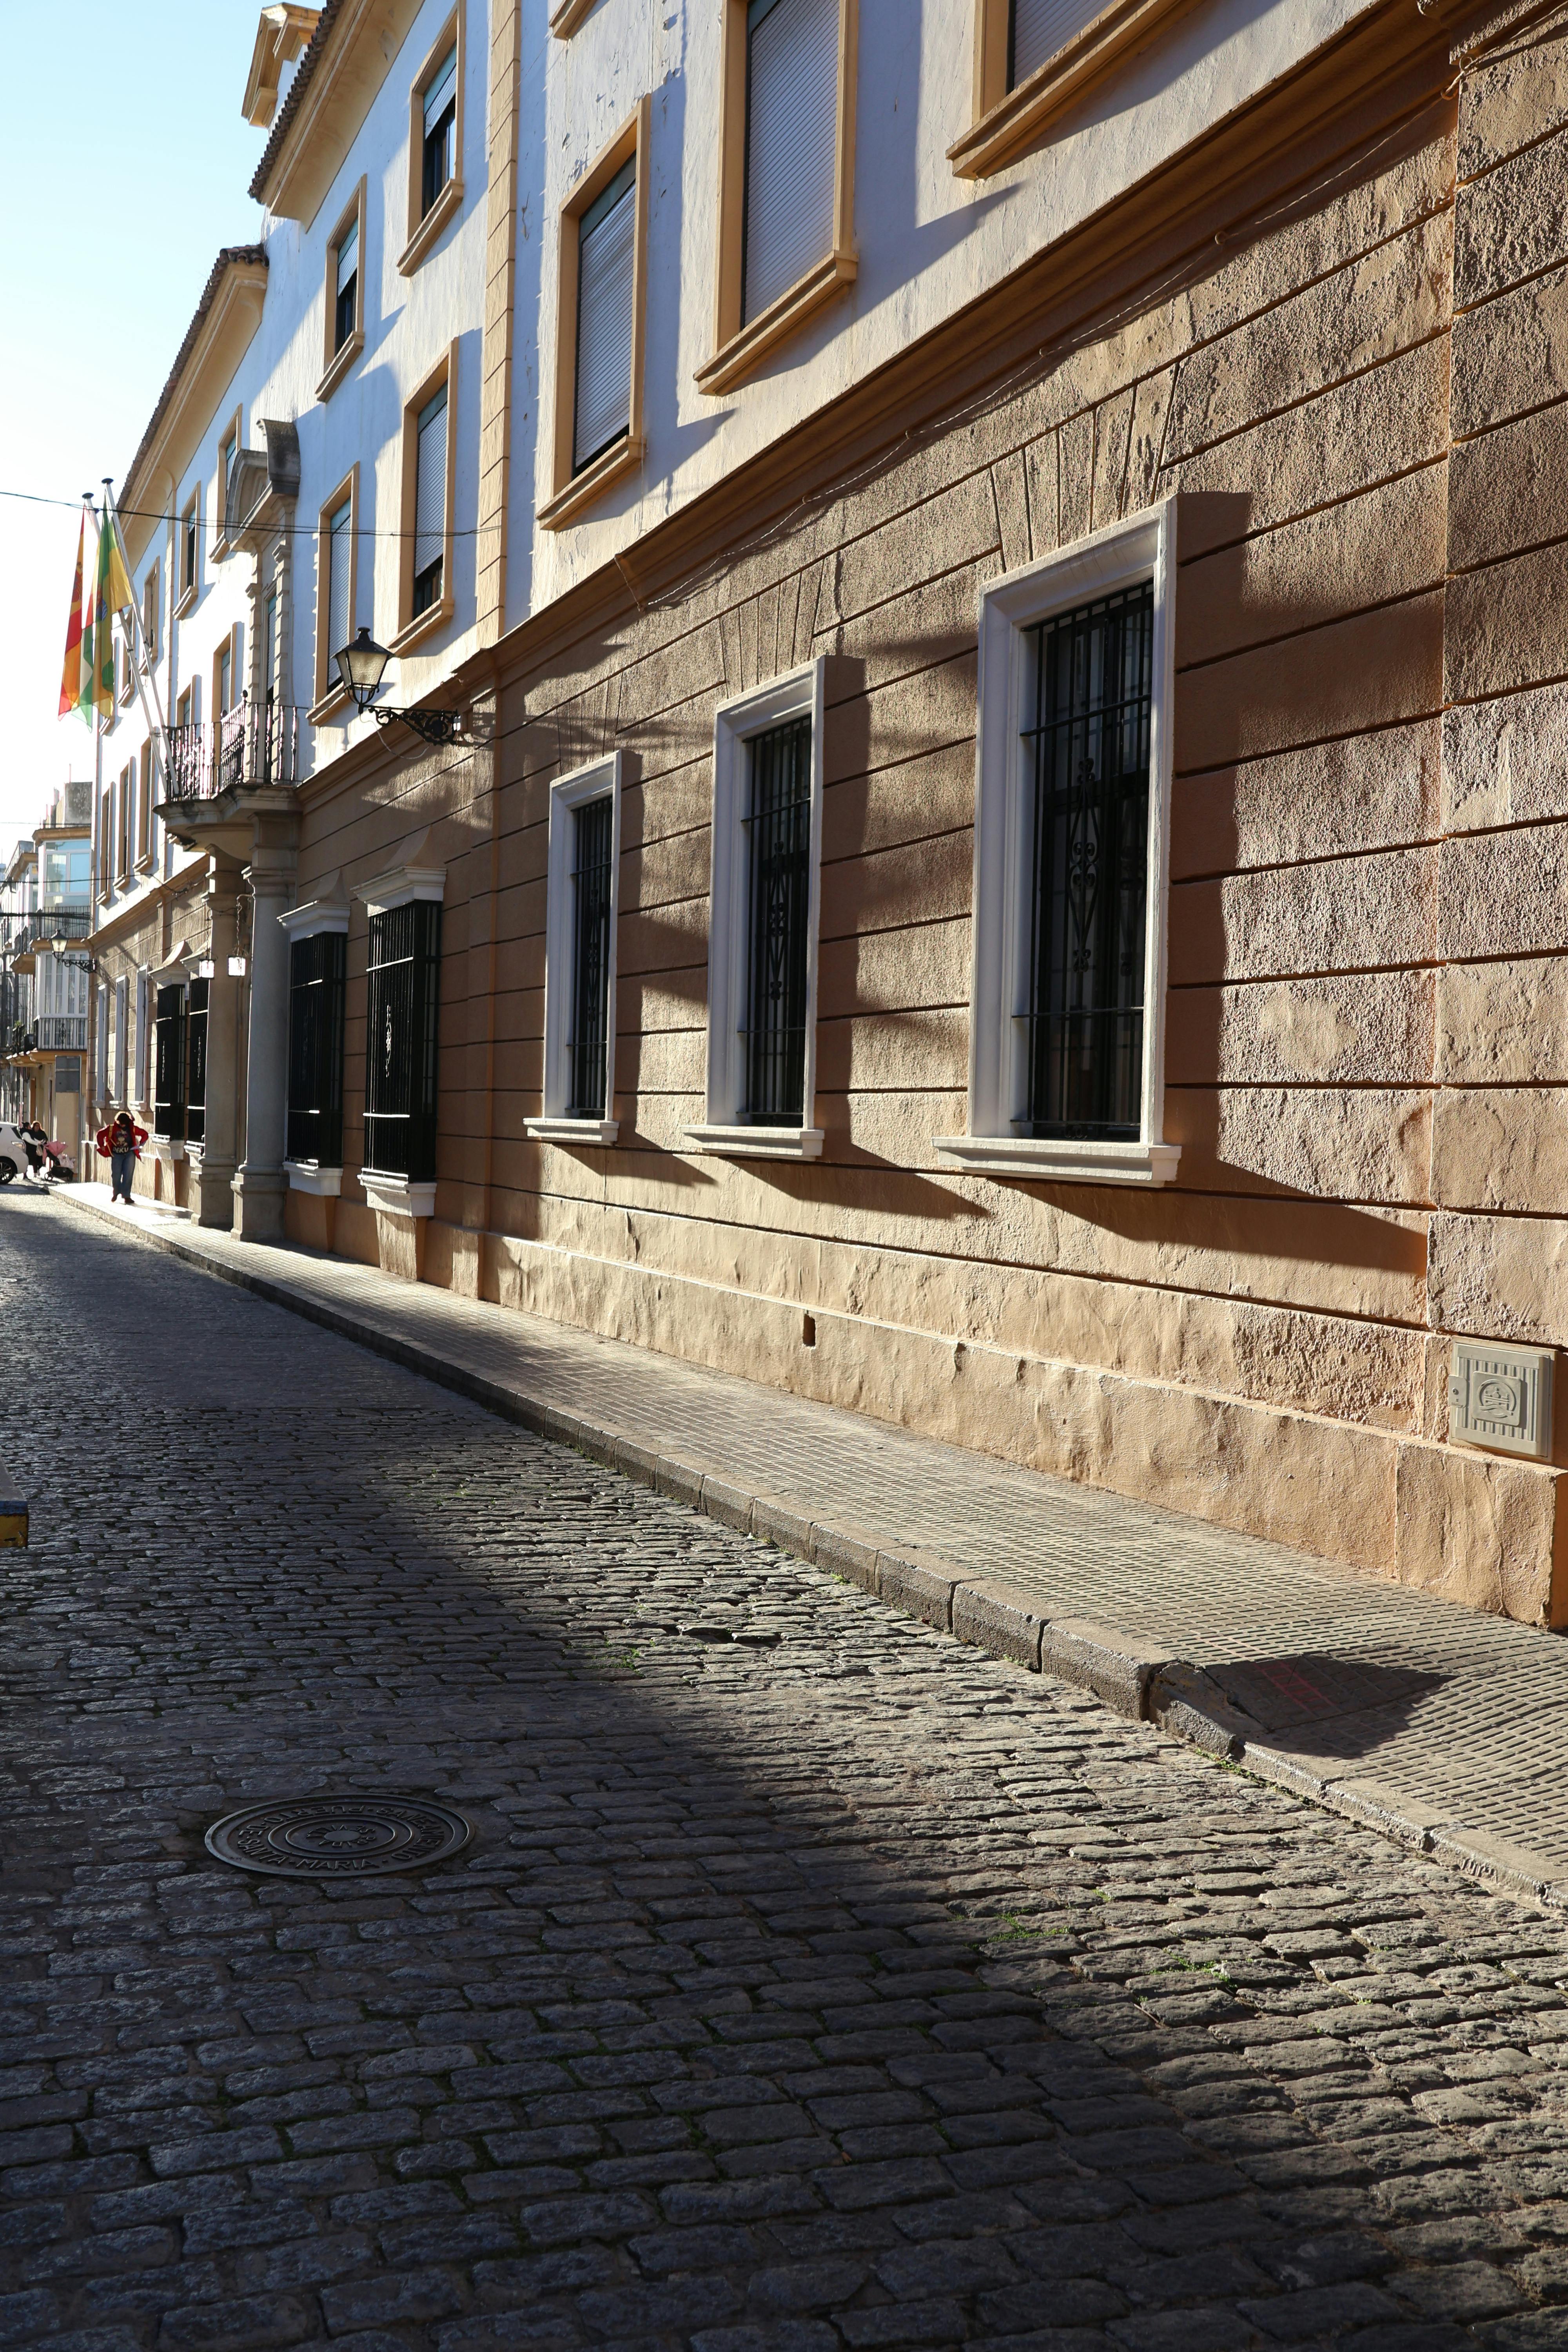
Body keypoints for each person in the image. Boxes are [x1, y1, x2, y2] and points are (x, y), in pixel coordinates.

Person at [94, 1109, 147, 1204]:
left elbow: (145, 1134)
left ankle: (127, 1196)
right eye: (121, 1124)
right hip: (116, 1155)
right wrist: (101, 1145)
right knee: (116, 1175)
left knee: (128, 1175)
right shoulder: (111, 1128)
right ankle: (116, 1193)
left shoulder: (132, 1128)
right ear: (118, 1122)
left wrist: (141, 1145)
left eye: (125, 1124)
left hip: (130, 1154)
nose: (123, 1126)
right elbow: (100, 1134)